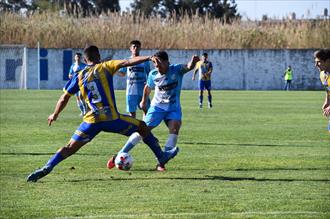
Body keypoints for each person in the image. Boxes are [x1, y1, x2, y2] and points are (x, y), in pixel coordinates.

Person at [26, 45, 178, 182]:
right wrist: (148, 57)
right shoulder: (105, 67)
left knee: (69, 148)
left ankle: (48, 166)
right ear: (98, 56)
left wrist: (55, 114)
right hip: (111, 118)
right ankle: (161, 156)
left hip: (91, 121)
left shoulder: (79, 75)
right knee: (142, 126)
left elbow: (64, 97)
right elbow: (127, 62)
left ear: (85, 59)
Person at [107, 51, 200, 171]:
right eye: (155, 64)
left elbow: (188, 67)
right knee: (142, 130)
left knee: (175, 128)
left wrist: (193, 62)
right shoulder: (153, 74)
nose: (157, 66)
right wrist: (143, 101)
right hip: (157, 107)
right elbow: (147, 87)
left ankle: (161, 163)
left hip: (173, 107)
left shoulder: (176, 70)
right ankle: (119, 155)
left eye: (159, 64)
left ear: (167, 62)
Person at [116, 40, 151, 118]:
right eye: (134, 46)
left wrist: (149, 85)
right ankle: (134, 130)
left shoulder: (145, 61)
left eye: (137, 46)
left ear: (140, 48)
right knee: (132, 113)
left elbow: (149, 74)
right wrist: (114, 71)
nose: (135, 48)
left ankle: (145, 128)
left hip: (143, 91)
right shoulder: (127, 61)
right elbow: (122, 73)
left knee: (146, 110)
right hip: (130, 91)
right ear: (130, 48)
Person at [314, 49, 330, 133]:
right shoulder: (322, 75)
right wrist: (327, 102)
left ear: (327, 61)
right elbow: (328, 90)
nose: (316, 65)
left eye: (318, 62)